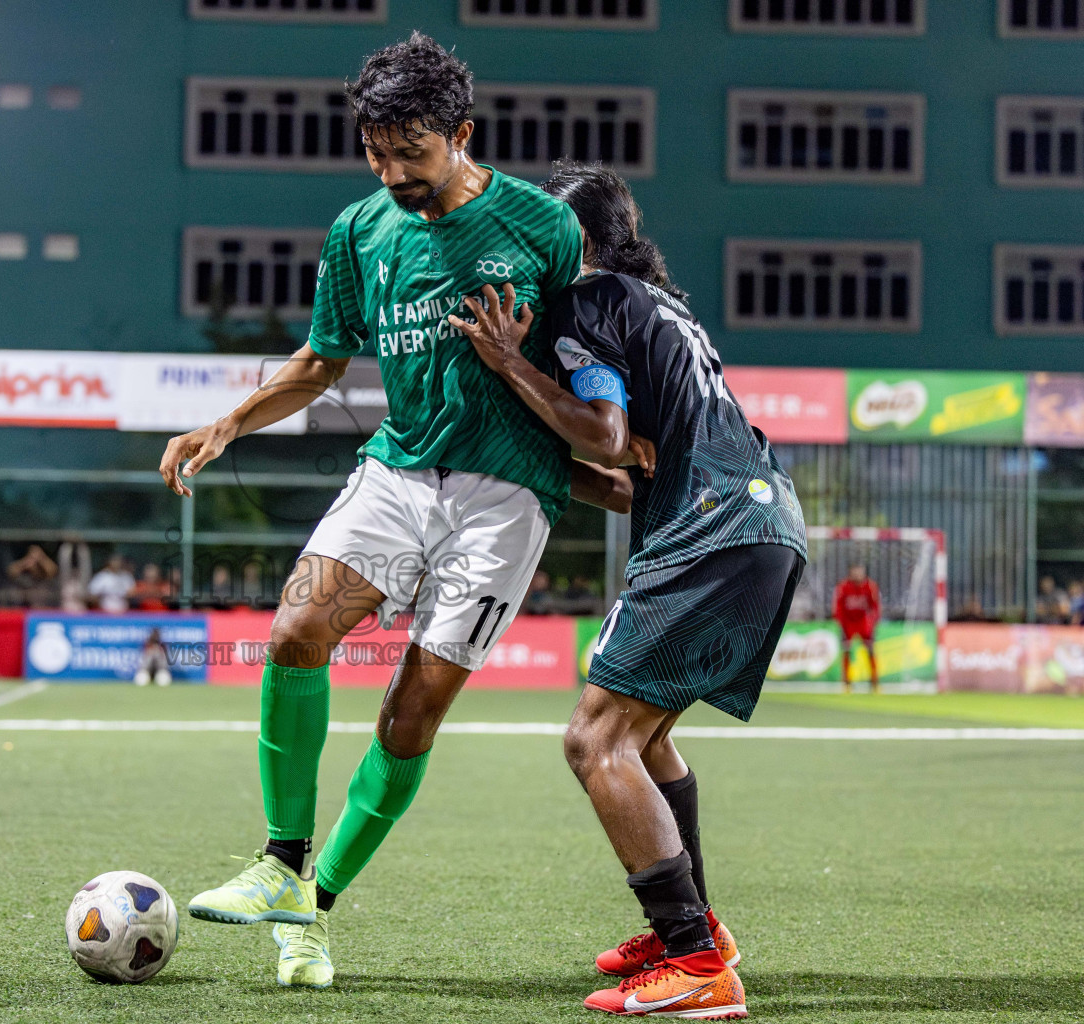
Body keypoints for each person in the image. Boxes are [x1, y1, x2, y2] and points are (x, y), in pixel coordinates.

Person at [159, 35, 632, 989]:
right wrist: (229, 424)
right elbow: (323, 362)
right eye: (375, 153)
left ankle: (314, 909)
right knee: (297, 628)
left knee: (411, 713)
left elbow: (593, 366)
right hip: (398, 473)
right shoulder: (359, 230)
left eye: (409, 152)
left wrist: (616, 460)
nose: (391, 173)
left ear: (461, 133)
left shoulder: (544, 229)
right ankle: (281, 863)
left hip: (505, 500)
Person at [451, 162, 808, 1018]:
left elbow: (608, 438)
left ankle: (695, 965)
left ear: (569, 241)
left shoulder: (587, 303)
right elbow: (623, 476)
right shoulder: (659, 307)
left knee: (594, 739)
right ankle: (699, 930)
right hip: (764, 521)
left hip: (713, 533)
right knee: (642, 742)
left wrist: (507, 363)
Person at [832, 564, 881, 693]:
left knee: (870, 651)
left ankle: (874, 682)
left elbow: (875, 606)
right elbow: (838, 607)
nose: (858, 574)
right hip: (848, 623)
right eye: (855, 571)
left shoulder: (870, 586)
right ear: (850, 572)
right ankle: (847, 682)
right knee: (847, 651)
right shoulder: (843, 587)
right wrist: (840, 622)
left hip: (864, 623)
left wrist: (873, 622)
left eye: (860, 571)